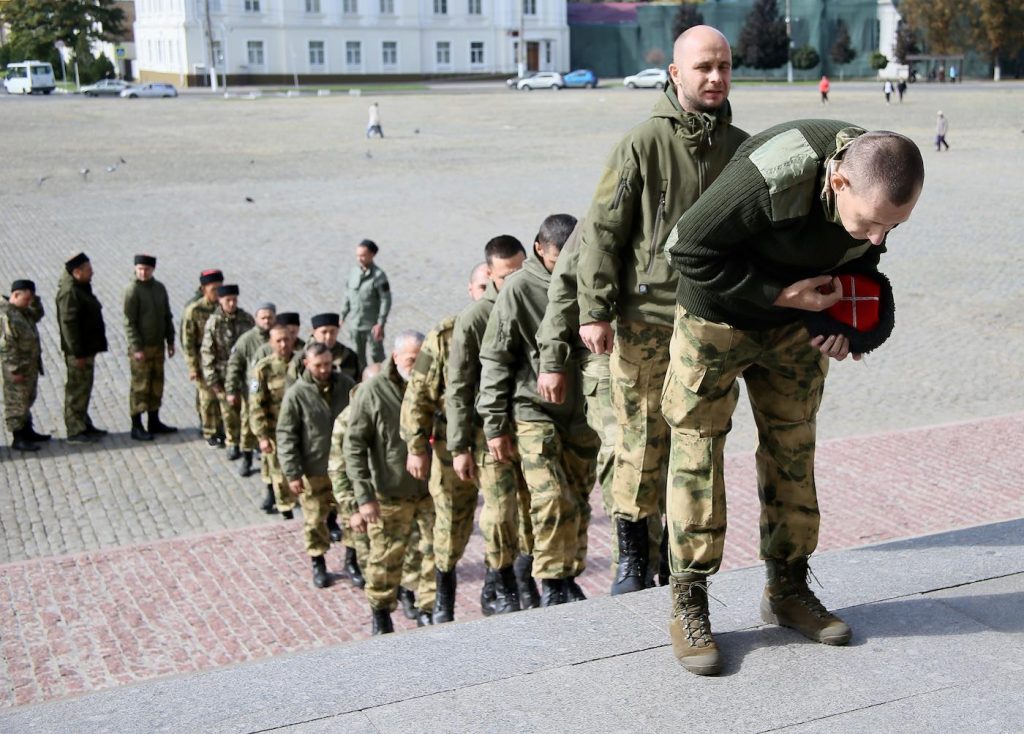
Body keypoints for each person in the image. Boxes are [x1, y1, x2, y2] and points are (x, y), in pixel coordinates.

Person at [661, 121, 925, 675]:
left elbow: (863, 264)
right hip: (716, 317)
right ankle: (689, 600)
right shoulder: (771, 175)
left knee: (793, 446)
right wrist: (778, 293)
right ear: (838, 180)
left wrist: (847, 326)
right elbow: (687, 249)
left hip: (795, 324)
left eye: (894, 226)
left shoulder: (874, 185)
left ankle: (787, 588)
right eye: (874, 222)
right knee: (698, 451)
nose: (880, 237)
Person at [576, 25, 748, 595]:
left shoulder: (741, 147)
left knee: (696, 447)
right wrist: (594, 311)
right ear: (675, 74)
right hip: (644, 324)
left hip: (710, 327)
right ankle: (631, 558)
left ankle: (680, 564)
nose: (716, 77)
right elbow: (603, 231)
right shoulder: (642, 143)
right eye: (703, 67)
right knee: (639, 441)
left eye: (723, 65)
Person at [479, 214, 599, 606]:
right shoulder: (518, 289)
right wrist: (495, 425)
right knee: (549, 496)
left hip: (580, 412)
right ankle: (549, 580)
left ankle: (567, 576)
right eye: (556, 260)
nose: (564, 267)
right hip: (533, 409)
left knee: (578, 498)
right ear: (539, 250)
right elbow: (495, 359)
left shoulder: (589, 279)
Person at [446, 235, 535, 614]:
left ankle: (525, 576)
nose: (512, 281)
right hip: (489, 434)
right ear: (489, 273)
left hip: (533, 425)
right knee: (499, 512)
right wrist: (459, 446)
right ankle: (499, 583)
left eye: (519, 271)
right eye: (504, 276)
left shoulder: (532, 301)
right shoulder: (473, 319)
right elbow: (459, 387)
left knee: (534, 509)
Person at [398, 268, 489, 624]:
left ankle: (499, 588)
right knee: (451, 524)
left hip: (500, 444)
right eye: (482, 286)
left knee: (505, 520)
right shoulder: (446, 334)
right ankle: (442, 601)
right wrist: (416, 446)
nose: (488, 292)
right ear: (470, 289)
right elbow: (418, 393)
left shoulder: (518, 316)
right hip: (453, 446)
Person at [344, 330, 436, 633]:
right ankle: (381, 613)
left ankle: (428, 610)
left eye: (422, 357)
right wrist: (363, 497)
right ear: (395, 357)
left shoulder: (430, 383)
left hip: (429, 491)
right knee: (385, 558)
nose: (417, 364)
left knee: (433, 552)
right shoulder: (372, 392)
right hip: (390, 492)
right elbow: (354, 447)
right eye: (412, 359)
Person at [276, 342, 356, 588]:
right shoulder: (297, 394)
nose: (323, 370)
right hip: (313, 469)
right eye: (318, 365)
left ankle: (352, 561)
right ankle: (318, 562)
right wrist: (293, 473)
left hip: (344, 468)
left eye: (327, 365)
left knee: (351, 515)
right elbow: (286, 435)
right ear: (306, 364)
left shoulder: (346, 385)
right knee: (314, 519)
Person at [250, 317, 301, 517]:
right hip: (275, 429)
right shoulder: (263, 369)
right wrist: (262, 436)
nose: (283, 344)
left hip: (300, 428)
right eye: (278, 341)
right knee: (279, 471)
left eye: (286, 340)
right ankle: (285, 508)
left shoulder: (302, 364)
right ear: (271, 343)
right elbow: (255, 406)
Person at [122, 254, 176, 442]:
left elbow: (167, 316)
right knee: (140, 386)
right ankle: (136, 425)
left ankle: (154, 420)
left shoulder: (159, 288)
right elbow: (129, 322)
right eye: (140, 269)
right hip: (141, 347)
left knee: (156, 383)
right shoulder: (132, 291)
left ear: (153, 270)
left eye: (146, 269)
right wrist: (136, 347)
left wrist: (170, 340)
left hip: (157, 345)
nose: (143, 273)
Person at [56, 252, 108, 444]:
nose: (92, 272)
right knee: (76, 390)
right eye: (88, 270)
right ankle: (75, 430)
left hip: (86, 348)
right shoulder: (70, 292)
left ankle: (83, 423)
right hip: (78, 351)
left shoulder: (80, 286)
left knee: (84, 388)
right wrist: (77, 352)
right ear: (76, 272)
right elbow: (68, 325)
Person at [201, 284, 256, 461]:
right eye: (228, 300)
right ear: (220, 301)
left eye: (234, 300)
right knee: (229, 411)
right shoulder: (214, 322)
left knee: (248, 410)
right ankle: (232, 442)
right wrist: (213, 379)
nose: (231, 304)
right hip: (224, 373)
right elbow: (207, 353)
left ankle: (250, 443)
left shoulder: (246, 319)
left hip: (245, 373)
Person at [225, 301, 276, 477]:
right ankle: (246, 457)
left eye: (270, 317)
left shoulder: (279, 338)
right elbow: (234, 366)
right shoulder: (247, 340)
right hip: (253, 392)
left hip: (276, 393)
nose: (267, 321)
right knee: (248, 426)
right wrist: (231, 390)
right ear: (256, 318)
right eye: (263, 318)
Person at [1, 280, 48, 451]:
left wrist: (35, 300)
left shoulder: (22, 311)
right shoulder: (7, 315)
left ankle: (28, 431)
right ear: (15, 295)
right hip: (16, 369)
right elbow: (6, 347)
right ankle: (18, 437)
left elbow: (37, 315)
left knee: (27, 399)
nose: (28, 303)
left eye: (30, 300)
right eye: (26, 299)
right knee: (16, 402)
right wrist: (14, 370)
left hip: (29, 366)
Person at [181, 269, 225, 446]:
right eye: (214, 289)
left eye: (220, 288)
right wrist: (192, 367)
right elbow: (188, 341)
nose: (218, 292)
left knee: (220, 394)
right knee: (207, 397)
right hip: (202, 359)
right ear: (203, 289)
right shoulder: (194, 310)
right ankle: (210, 431)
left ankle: (221, 427)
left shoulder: (223, 306)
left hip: (221, 359)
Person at [340, 240, 391, 373]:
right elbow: (347, 295)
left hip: (372, 325)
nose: (359, 259)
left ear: (372, 255)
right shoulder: (353, 273)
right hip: (355, 324)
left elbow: (386, 300)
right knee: (357, 357)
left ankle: (384, 378)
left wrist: (380, 323)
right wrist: (342, 316)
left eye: (363, 255)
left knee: (377, 355)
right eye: (357, 255)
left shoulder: (379, 276)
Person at [308, 312, 359, 384]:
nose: (328, 336)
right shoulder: (304, 356)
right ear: (314, 332)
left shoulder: (349, 356)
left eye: (332, 332)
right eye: (324, 332)